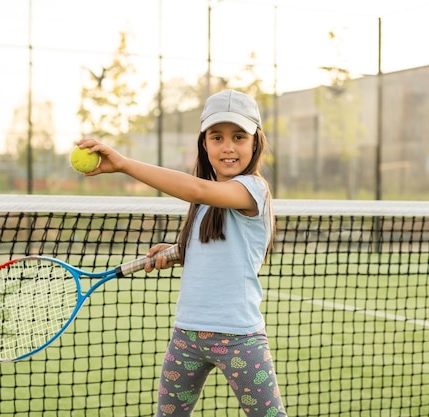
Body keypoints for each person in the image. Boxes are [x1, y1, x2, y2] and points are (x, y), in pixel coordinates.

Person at [77, 89, 287, 417]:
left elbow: (199, 188)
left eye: (239, 136)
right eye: (217, 137)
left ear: (255, 142)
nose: (228, 146)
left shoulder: (253, 190)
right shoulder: (203, 204)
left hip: (239, 338)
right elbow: (217, 243)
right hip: (186, 337)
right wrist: (177, 252)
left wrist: (124, 164)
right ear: (204, 143)